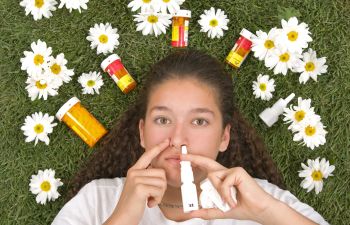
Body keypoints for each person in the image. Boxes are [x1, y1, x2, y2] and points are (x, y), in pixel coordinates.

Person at [52, 50, 329, 225]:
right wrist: (123, 218)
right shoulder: (97, 201)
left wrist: (266, 212)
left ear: (224, 137)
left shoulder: (262, 200)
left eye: (199, 121)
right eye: (163, 120)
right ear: (142, 133)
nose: (178, 138)